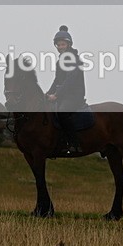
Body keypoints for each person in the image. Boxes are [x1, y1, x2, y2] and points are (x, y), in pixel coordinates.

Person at [46, 25, 87, 153]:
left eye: (62, 44)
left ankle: (74, 144)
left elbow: (70, 80)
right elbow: (57, 80)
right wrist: (47, 93)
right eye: (58, 45)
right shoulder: (60, 62)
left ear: (68, 45)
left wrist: (56, 95)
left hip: (74, 95)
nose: (60, 47)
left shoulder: (73, 59)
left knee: (62, 112)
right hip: (63, 94)